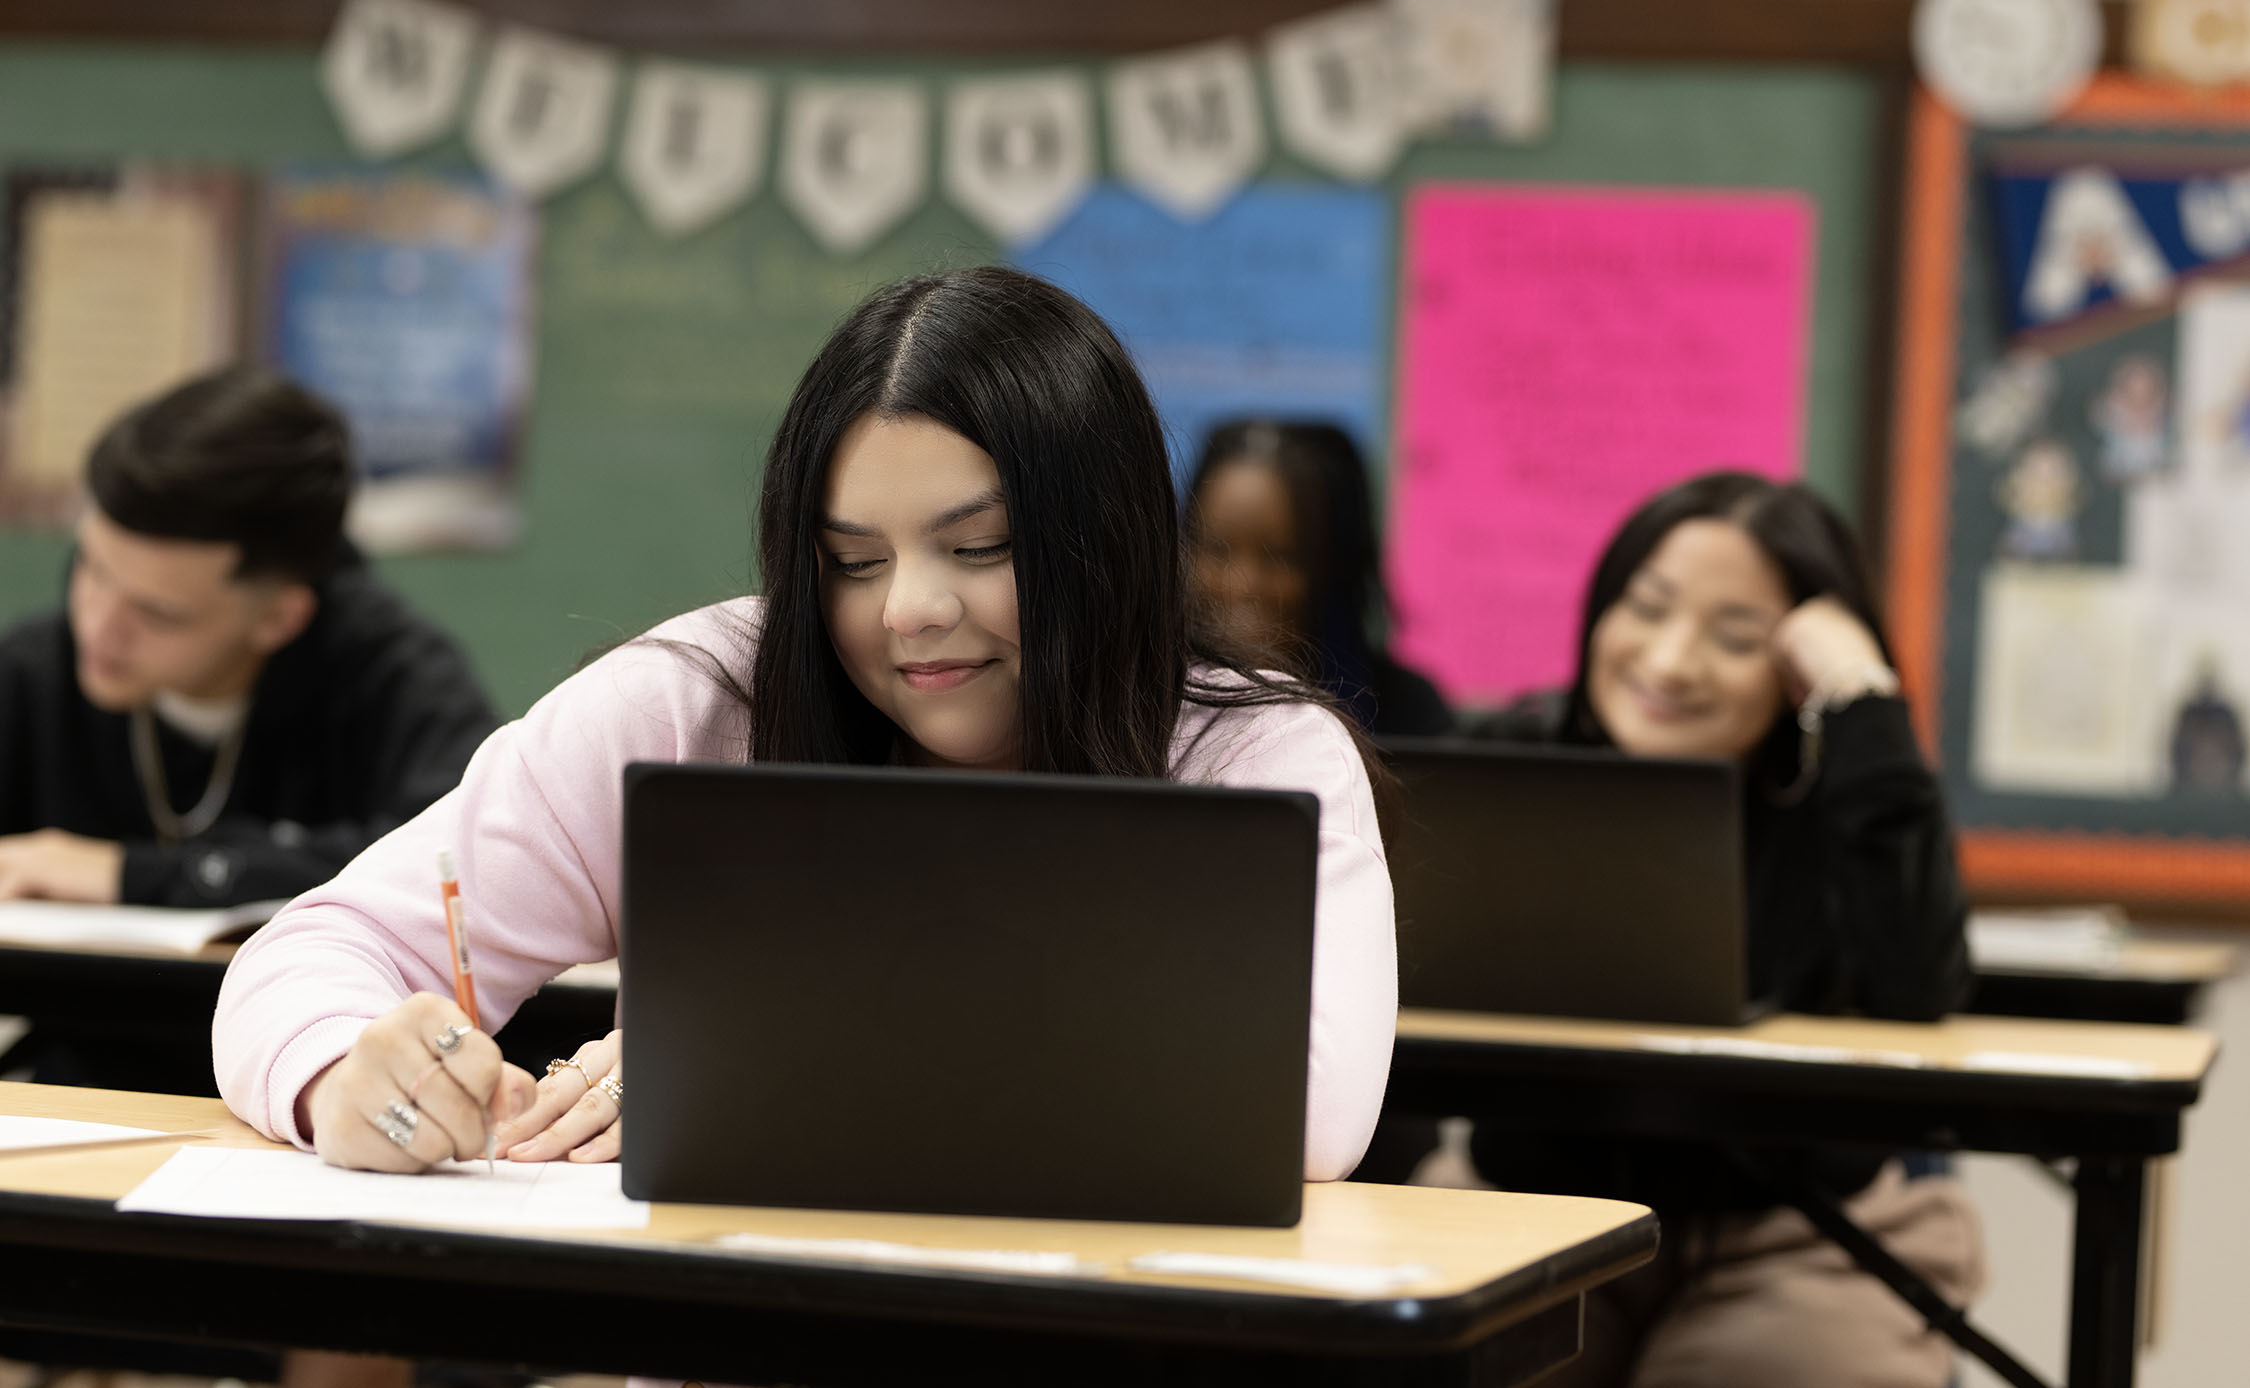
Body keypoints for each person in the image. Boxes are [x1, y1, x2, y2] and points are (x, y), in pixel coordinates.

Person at [213, 267, 1396, 1187]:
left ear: (1112, 542)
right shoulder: (692, 701)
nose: (912, 612)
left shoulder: (1257, 755)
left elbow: (1308, 1110)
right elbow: (310, 954)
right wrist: (339, 1073)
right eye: (850, 562)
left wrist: (768, 1058)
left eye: (979, 548)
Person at [1460, 470, 1982, 1388]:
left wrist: (1861, 694)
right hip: (1534, 1212)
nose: (1668, 662)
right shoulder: (1513, 761)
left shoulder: (1844, 793)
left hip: (1798, 1236)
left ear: (1793, 672)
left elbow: (1920, 986)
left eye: (1736, 637)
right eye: (1647, 608)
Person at [0, 367, 498, 1093]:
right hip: (76, 1086)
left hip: (327, 1096)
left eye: (158, 613)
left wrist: (128, 874)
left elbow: (457, 865)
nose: (98, 626)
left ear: (279, 618)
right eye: (91, 568)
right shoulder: (33, 669)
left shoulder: (393, 677)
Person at [1184, 420, 1451, 737]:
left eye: (1278, 556)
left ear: (1330, 569)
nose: (1243, 586)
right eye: (1217, 550)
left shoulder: (1406, 714)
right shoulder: (1144, 703)